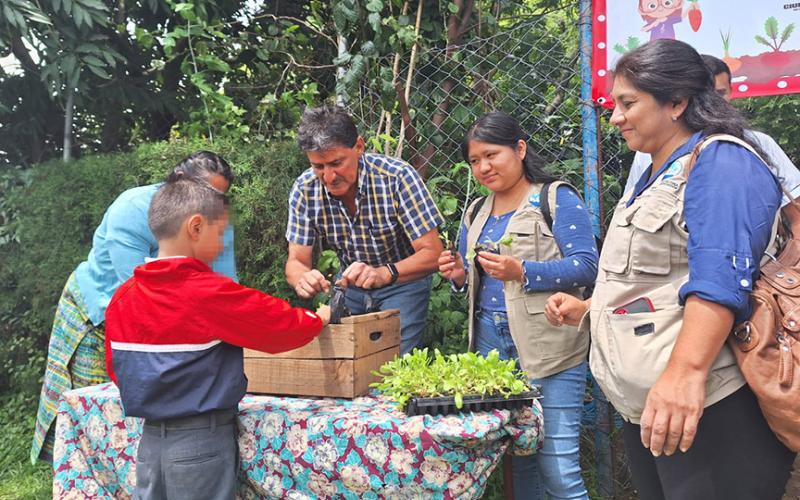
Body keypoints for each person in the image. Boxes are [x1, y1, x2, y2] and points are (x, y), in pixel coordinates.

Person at [545, 39, 797, 499]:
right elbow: (655, 279)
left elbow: (720, 280)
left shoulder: (722, 161)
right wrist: (591, 309)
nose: (615, 116)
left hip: (709, 405)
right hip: (655, 408)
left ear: (677, 102)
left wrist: (685, 373)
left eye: (628, 103)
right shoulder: (656, 171)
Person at [105, 180, 328, 499]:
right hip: (201, 444)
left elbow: (116, 369)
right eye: (220, 232)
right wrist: (317, 319)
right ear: (195, 227)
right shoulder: (207, 292)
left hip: (149, 446)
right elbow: (278, 326)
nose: (223, 245)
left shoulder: (123, 298)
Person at [31, 151, 237, 464]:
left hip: (158, 319)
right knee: (97, 420)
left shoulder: (214, 222)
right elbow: (141, 291)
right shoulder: (133, 208)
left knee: (140, 424)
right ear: (178, 182)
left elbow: (224, 288)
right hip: (98, 314)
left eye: (219, 197)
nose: (212, 204)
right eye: (205, 193)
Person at [438, 111, 598, 500]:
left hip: (551, 349)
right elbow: (473, 279)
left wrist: (523, 271)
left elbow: (587, 265)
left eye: (492, 155)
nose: (483, 167)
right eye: (474, 160)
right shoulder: (476, 211)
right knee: (520, 461)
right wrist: (458, 275)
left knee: (559, 469)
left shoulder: (555, 197)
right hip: (491, 350)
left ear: (520, 149)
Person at [285, 105, 444, 354]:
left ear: (359, 147)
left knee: (393, 365)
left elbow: (433, 253)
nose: (328, 176)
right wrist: (302, 278)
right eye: (318, 166)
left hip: (402, 281)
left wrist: (384, 273)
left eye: (336, 163)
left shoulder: (397, 177)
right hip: (349, 285)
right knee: (346, 362)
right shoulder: (305, 188)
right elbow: (296, 261)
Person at [623, 54, 800, 234]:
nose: (713, 103)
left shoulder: (759, 143)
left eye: (720, 94)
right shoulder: (650, 154)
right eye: (705, 95)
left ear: (731, 91)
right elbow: (629, 219)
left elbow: (797, 215)